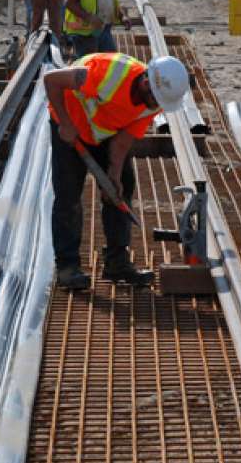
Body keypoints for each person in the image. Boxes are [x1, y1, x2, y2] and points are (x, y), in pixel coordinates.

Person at [43, 52, 191, 289]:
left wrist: (113, 175)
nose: (157, 106)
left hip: (105, 132)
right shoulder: (105, 74)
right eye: (156, 99)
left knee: (120, 189)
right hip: (69, 125)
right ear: (146, 83)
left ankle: (116, 263)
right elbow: (51, 80)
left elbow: (123, 140)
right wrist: (66, 123)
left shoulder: (155, 101)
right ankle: (67, 267)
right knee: (68, 195)